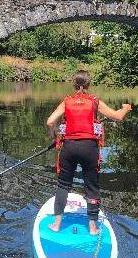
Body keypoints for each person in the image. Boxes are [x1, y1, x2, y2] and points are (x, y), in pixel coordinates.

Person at [45, 70, 131, 235]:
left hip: (69, 148)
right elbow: (118, 117)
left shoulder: (66, 101)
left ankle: (56, 225)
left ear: (74, 84)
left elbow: (50, 122)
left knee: (63, 185)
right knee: (91, 186)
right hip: (89, 148)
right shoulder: (95, 101)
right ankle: (92, 228)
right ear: (89, 84)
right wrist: (125, 108)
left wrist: (54, 136)